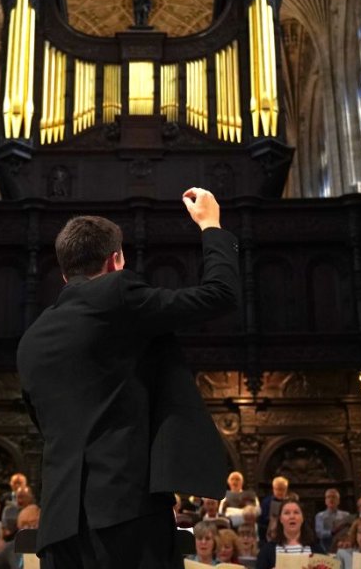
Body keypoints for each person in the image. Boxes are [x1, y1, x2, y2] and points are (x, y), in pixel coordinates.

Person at [16, 187, 240, 569]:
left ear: (64, 270)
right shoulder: (115, 293)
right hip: (124, 516)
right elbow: (219, 294)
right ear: (115, 259)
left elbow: (46, 425)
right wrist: (211, 225)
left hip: (59, 527)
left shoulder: (31, 338)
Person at [256, 500, 313, 569]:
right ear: (280, 519)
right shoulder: (267, 550)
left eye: (296, 512)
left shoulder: (316, 548)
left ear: (302, 518)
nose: (292, 516)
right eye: (287, 513)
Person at [0, 505, 40, 569]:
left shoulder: (47, 548)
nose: (29, 528)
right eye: (24, 525)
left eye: (33, 524)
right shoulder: (12, 547)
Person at [259, 477, 292, 542]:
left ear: (286, 489)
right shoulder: (267, 502)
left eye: (282, 489)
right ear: (273, 489)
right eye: (278, 489)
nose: (280, 492)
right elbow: (262, 519)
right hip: (269, 530)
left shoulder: (290, 502)